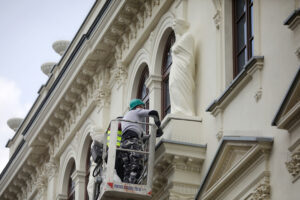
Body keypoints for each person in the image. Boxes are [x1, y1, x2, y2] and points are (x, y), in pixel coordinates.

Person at [120, 99, 163, 184]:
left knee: (128, 167)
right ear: (138, 106)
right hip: (132, 140)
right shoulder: (136, 111)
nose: (143, 109)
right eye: (143, 107)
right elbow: (154, 113)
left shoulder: (129, 119)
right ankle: (132, 183)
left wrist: (154, 134)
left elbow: (143, 137)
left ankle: (127, 182)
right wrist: (158, 124)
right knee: (136, 164)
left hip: (125, 142)